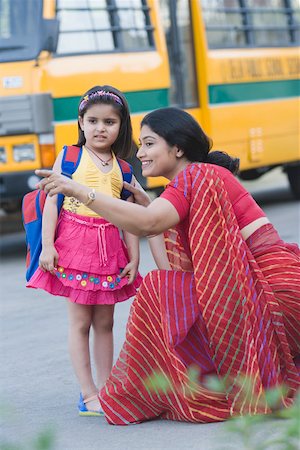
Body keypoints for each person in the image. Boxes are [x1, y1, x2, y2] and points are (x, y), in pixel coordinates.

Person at [35, 107, 300, 424]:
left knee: (154, 291)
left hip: (274, 295)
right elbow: (173, 272)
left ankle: (185, 387)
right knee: (163, 286)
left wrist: (78, 189)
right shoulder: (193, 182)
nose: (140, 153)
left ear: (177, 148)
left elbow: (147, 225)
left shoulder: (197, 177)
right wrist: (148, 211)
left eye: (148, 144)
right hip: (276, 292)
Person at [27, 85, 142, 416]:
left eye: (109, 122)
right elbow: (52, 201)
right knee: (80, 322)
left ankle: (107, 391)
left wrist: (134, 257)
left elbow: (130, 216)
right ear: (81, 123)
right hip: (75, 245)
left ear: (122, 126)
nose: (100, 128)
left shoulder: (124, 169)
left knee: (105, 322)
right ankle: (88, 393)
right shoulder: (70, 156)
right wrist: (48, 246)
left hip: (110, 250)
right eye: (92, 121)